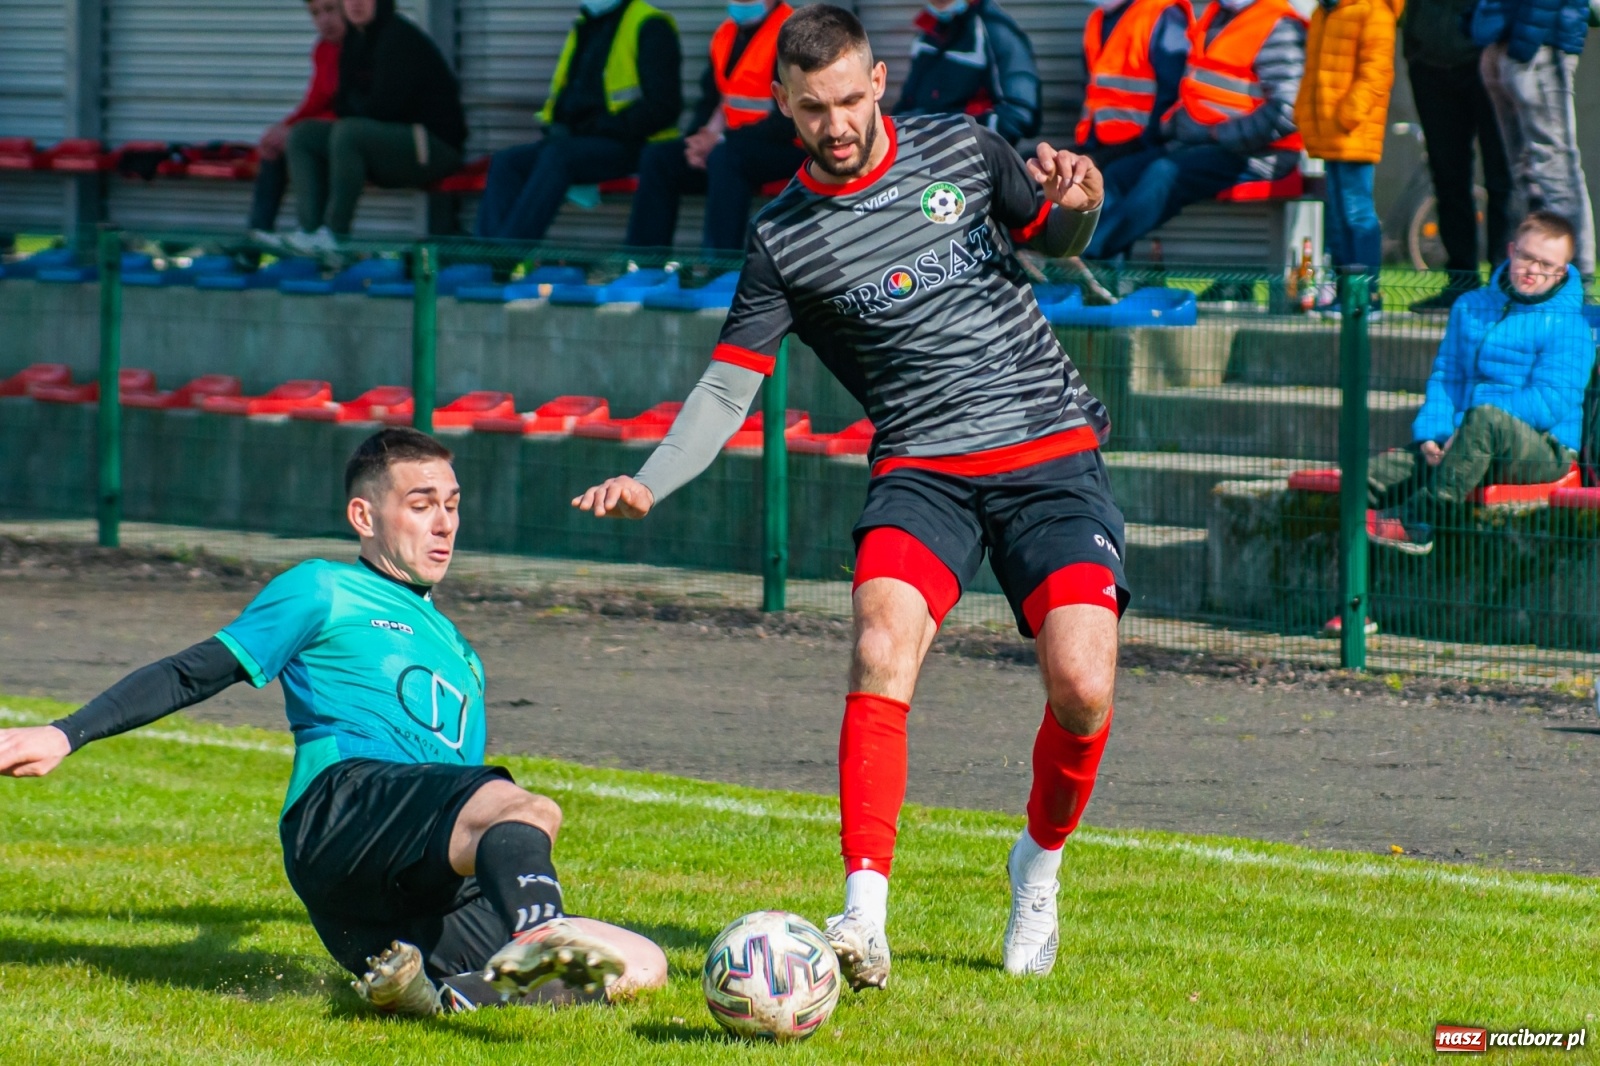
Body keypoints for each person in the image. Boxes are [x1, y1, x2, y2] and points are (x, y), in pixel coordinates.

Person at [573, 4, 1122, 988]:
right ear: (783, 105)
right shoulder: (782, 237)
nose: (835, 123)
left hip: (1048, 450)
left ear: (877, 83)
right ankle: (862, 913)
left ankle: (1036, 866)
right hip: (923, 466)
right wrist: (649, 479)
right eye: (812, 106)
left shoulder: (962, 145)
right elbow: (726, 385)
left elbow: (1058, 234)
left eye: (847, 98)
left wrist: (1081, 198)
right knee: (878, 641)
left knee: (1081, 689)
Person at [0, 428, 667, 1014]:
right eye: (421, 504)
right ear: (364, 515)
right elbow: (192, 670)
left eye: (453, 505)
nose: (444, 524)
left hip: (404, 893)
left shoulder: (463, 655)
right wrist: (65, 733)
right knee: (527, 810)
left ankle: (440, 996)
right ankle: (536, 936)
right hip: (341, 814)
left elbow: (456, 809)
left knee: (637, 965)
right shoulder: (323, 588)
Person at [1367, 211, 1594, 555]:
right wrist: (1433, 433)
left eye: (1546, 264)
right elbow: (1447, 376)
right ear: (1511, 250)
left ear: (1561, 271)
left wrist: (1470, 424)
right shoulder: (1470, 306)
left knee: (1486, 418)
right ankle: (1349, 596)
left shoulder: (1570, 328)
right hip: (1462, 439)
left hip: (1544, 449)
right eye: (1527, 257)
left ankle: (1418, 522)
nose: (1533, 270)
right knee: (1360, 481)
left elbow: (1549, 403)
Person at [1084, 0, 1307, 261]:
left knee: (1165, 174)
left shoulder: (1279, 25)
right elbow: (1200, 85)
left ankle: (1089, 253)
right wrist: (1176, 125)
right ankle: (1102, 281)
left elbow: (1288, 111)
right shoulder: (1216, 16)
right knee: (1117, 175)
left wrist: (1218, 134)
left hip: (1258, 154)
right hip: (1200, 143)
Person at [477, 0, 682, 242]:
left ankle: (505, 254)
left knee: (559, 156)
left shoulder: (649, 24)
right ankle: (484, 260)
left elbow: (663, 106)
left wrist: (603, 126)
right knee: (506, 162)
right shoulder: (586, 24)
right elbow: (572, 93)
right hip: (580, 140)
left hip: (635, 142)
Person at [282, 0, 467, 257]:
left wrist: (357, 107)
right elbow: (344, 102)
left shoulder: (398, 37)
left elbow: (383, 108)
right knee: (303, 135)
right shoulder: (354, 41)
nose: (356, 3)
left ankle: (335, 235)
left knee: (350, 132)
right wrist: (357, 107)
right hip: (385, 144)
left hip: (432, 148)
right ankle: (310, 232)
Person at [624, 0, 804, 252]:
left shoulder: (794, 33)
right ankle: (644, 265)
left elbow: (792, 121)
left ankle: (718, 266)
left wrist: (720, 141)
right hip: (732, 143)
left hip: (790, 147)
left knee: (726, 158)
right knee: (659, 158)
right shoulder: (725, 34)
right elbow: (711, 100)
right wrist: (697, 142)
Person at [1471, 0, 1595, 280]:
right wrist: (1479, 27)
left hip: (1539, 43)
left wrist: (1526, 40)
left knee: (1557, 173)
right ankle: (1531, 286)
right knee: (1524, 175)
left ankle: (1577, 283)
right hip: (1501, 40)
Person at [1401, 0, 1511, 313]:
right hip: (1430, 60)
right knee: (1447, 176)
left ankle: (1503, 284)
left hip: (1486, 53)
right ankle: (1460, 282)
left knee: (1502, 178)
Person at [1294, 0, 1402, 315]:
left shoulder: (1373, 12)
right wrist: (1306, 113)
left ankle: (1367, 295)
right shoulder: (1324, 13)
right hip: (1328, 131)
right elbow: (1313, 72)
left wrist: (1346, 115)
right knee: (1338, 219)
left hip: (1352, 131)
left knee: (1357, 214)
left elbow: (1377, 74)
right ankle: (1345, 294)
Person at [250, 0, 345, 242]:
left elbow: (354, 108)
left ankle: (311, 234)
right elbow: (314, 101)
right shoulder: (323, 49)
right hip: (327, 131)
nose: (324, 20)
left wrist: (293, 131)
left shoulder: (360, 47)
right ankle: (258, 236)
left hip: (351, 136)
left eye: (330, 9)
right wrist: (282, 128)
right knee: (274, 147)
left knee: (300, 139)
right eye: (316, 13)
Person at [893, 0, 1042, 146]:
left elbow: (1020, 115)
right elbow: (907, 102)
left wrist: (947, 140)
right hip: (923, 160)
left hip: (974, 163)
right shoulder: (927, 31)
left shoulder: (996, 29)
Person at [1073, 0, 1193, 168]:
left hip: (1143, 144)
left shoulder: (1162, 14)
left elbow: (1173, 90)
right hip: (1096, 142)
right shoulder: (1097, 18)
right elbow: (1092, 85)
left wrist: (1151, 139)